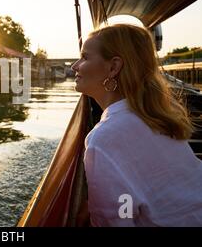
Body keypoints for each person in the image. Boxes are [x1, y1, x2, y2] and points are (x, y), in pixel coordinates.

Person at [71, 24, 202, 226]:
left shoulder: (104, 139)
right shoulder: (156, 117)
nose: (75, 66)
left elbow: (117, 220)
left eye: (85, 57)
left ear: (113, 67)